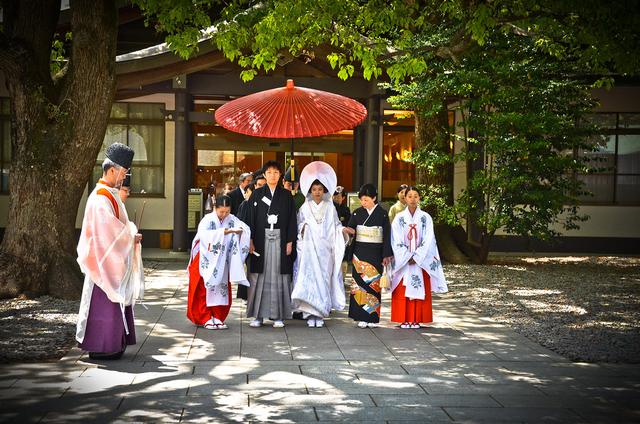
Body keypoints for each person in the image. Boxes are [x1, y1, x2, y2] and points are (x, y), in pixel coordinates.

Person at [76, 143, 144, 360]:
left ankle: (114, 343)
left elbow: (121, 225)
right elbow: (107, 231)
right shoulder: (99, 198)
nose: (123, 178)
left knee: (113, 302)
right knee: (103, 303)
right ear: (112, 170)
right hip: (102, 262)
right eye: (123, 173)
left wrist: (130, 233)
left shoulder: (111, 195)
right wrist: (129, 236)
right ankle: (102, 345)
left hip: (111, 258)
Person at [291, 162, 348, 328]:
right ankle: (310, 313)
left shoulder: (330, 207)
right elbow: (299, 225)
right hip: (309, 250)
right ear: (310, 190)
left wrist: (343, 229)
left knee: (323, 280)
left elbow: (336, 225)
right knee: (310, 280)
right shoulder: (304, 207)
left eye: (320, 190)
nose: (317, 192)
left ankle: (321, 313)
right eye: (314, 189)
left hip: (325, 250)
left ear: (324, 191)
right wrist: (304, 228)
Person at [245, 160, 297, 328]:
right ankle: (258, 316)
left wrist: (290, 241)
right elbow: (250, 219)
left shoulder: (287, 195)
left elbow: (291, 220)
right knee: (258, 276)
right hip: (261, 239)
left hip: (280, 240)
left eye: (276, 172)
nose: (272, 175)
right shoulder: (257, 194)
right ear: (264, 175)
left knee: (279, 276)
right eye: (269, 172)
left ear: (280, 175)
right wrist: (250, 240)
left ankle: (278, 316)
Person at [187, 195, 250, 330]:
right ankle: (205, 317)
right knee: (204, 287)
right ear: (215, 208)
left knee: (221, 288)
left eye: (227, 211)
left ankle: (218, 316)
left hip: (222, 260)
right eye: (221, 211)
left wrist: (240, 232)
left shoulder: (232, 219)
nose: (224, 214)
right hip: (205, 258)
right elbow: (203, 236)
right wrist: (224, 232)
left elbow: (245, 228)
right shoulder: (207, 220)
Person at [390, 186, 448, 328]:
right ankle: (404, 318)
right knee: (403, 288)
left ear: (419, 198)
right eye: (409, 196)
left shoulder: (425, 217)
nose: (413, 199)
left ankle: (416, 319)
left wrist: (416, 256)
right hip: (404, 260)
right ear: (405, 198)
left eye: (416, 196)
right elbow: (395, 239)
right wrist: (406, 256)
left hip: (421, 260)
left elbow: (429, 239)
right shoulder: (399, 218)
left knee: (419, 285)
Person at [343, 184, 393, 328]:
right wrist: (347, 231)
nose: (363, 203)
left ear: (374, 198)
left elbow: (387, 236)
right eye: (362, 200)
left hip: (375, 252)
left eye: (366, 200)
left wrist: (386, 254)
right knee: (360, 285)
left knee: (374, 284)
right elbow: (352, 229)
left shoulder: (382, 214)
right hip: (360, 252)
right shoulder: (357, 213)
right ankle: (361, 316)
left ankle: (373, 316)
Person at [236, 183, 255, 301]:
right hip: (246, 240)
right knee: (247, 268)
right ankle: (245, 295)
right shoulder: (245, 204)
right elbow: (241, 223)